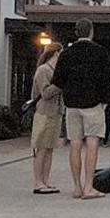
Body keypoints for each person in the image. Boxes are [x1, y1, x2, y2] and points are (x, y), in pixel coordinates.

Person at [51, 19, 110, 200]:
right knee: (92, 144)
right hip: (93, 104)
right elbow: (106, 81)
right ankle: (88, 187)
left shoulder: (66, 53)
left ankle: (77, 187)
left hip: (72, 105)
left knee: (75, 144)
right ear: (91, 32)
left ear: (76, 33)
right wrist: (105, 102)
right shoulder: (100, 52)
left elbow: (58, 81)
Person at [29, 42, 64, 194]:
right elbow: (45, 93)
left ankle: (46, 181)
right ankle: (38, 182)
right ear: (56, 53)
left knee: (50, 148)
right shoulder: (43, 70)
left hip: (56, 112)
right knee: (41, 148)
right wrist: (60, 84)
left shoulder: (56, 70)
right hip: (44, 112)